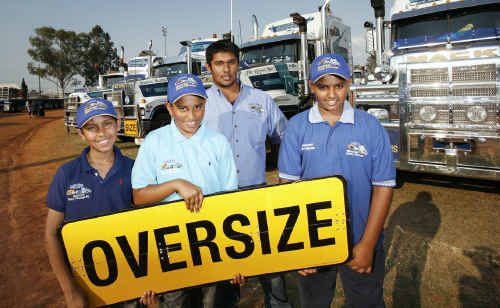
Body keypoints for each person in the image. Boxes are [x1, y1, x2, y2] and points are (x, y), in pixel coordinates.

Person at [278, 53, 396, 308]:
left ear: (348, 84)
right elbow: (287, 193)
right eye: (323, 87)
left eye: (338, 86)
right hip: (315, 242)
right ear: (312, 87)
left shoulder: (371, 126)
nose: (331, 94)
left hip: (360, 238)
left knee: (367, 301)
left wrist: (367, 243)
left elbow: (383, 186)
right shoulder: (297, 127)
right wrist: (301, 248)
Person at [131, 73, 244, 307]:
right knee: (178, 302)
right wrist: (176, 184)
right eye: (183, 108)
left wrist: (234, 258)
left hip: (215, 244)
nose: (191, 116)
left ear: (205, 105)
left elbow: (231, 200)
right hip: (173, 248)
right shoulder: (154, 141)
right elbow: (139, 196)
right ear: (169, 108)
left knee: (215, 301)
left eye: (198, 107)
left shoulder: (218, 142)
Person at [203, 39, 291, 308]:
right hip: (216, 203)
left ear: (238, 65)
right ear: (209, 67)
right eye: (219, 63)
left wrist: (285, 178)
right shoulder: (199, 104)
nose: (226, 70)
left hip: (257, 198)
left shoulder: (261, 100)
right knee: (221, 278)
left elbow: (285, 138)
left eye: (231, 62)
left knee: (272, 272)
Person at [45, 98, 134, 307]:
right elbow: (51, 234)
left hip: (131, 281)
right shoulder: (67, 174)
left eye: (107, 124)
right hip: (87, 285)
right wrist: (70, 292)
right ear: (81, 134)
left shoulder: (135, 169)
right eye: (92, 128)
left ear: (118, 124)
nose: (102, 133)